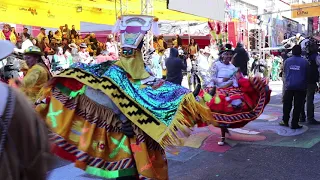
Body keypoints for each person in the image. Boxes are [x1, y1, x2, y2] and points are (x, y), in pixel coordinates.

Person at [0, 40, 51, 180]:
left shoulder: (37, 69)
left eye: (29, 57)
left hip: (32, 103)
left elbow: (25, 83)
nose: (27, 60)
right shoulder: (39, 67)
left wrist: (12, 83)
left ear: (36, 58)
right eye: (26, 57)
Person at [280, 45, 309, 129]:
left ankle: (285, 121)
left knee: (287, 105)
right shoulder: (305, 62)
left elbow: (285, 72)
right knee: (298, 106)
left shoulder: (287, 61)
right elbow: (307, 74)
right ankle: (294, 123)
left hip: (289, 86)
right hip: (301, 86)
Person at [300, 41, 320, 124]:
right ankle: (310, 118)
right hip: (311, 80)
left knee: (301, 99)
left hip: (301, 80)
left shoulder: (302, 56)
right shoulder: (316, 57)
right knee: (309, 100)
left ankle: (301, 117)